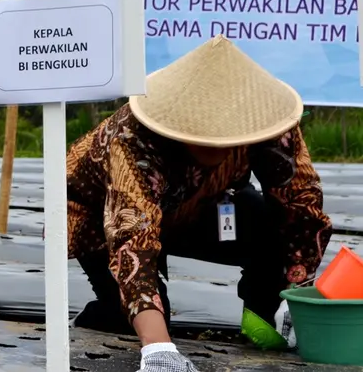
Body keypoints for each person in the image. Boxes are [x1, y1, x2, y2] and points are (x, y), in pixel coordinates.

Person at [66, 35, 332, 371]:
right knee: (138, 320)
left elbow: (300, 203)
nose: (219, 148)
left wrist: (297, 290)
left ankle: (262, 315)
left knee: (263, 219)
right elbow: (132, 238)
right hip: (101, 216)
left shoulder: (268, 123)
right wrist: (159, 346)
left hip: (198, 204)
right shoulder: (133, 139)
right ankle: (104, 312)